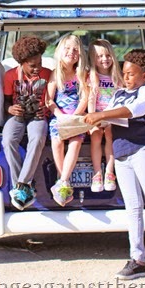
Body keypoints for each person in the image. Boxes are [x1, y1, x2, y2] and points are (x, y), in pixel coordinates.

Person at [84, 49, 145, 279]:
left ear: (144, 75)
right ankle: (137, 259)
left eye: (130, 74)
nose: (125, 77)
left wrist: (101, 116)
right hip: (121, 155)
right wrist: (93, 122)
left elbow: (131, 112)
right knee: (133, 207)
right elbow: (109, 118)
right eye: (124, 73)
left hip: (142, 151)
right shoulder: (118, 94)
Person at [2, 35, 52, 210]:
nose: (37, 68)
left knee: (37, 138)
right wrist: (10, 109)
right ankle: (23, 188)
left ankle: (22, 185)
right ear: (21, 63)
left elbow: (53, 98)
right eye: (32, 65)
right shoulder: (10, 76)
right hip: (18, 115)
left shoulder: (48, 74)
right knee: (8, 140)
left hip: (38, 114)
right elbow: (6, 101)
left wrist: (45, 108)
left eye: (40, 63)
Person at [46, 34, 88, 206]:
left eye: (76, 50)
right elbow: (49, 100)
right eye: (68, 48)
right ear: (59, 51)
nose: (72, 52)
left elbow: (85, 98)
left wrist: (75, 116)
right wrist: (60, 115)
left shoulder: (81, 74)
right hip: (59, 116)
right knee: (56, 141)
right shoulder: (56, 74)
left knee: (75, 142)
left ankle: (62, 181)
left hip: (77, 116)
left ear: (80, 54)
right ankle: (64, 181)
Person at [87, 39, 123, 192]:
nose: (104, 59)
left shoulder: (117, 77)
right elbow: (91, 99)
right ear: (93, 59)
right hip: (96, 115)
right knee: (95, 135)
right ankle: (97, 174)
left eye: (108, 55)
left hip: (112, 116)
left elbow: (120, 99)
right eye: (99, 56)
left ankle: (109, 172)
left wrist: (111, 118)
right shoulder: (92, 77)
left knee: (110, 135)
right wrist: (92, 117)